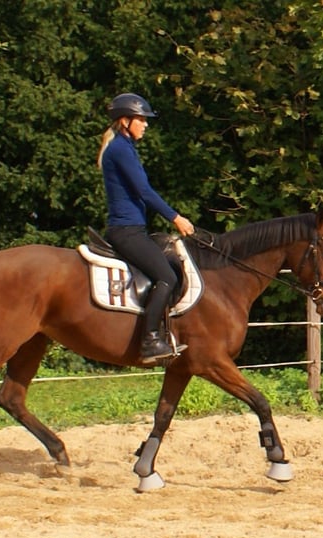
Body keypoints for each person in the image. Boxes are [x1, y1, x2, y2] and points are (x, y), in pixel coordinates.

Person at [97, 92, 196, 363]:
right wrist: (175, 217)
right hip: (126, 231)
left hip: (134, 228)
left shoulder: (125, 148)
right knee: (167, 277)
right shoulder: (120, 149)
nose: (146, 124)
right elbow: (144, 191)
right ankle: (151, 340)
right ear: (125, 121)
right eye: (141, 119)